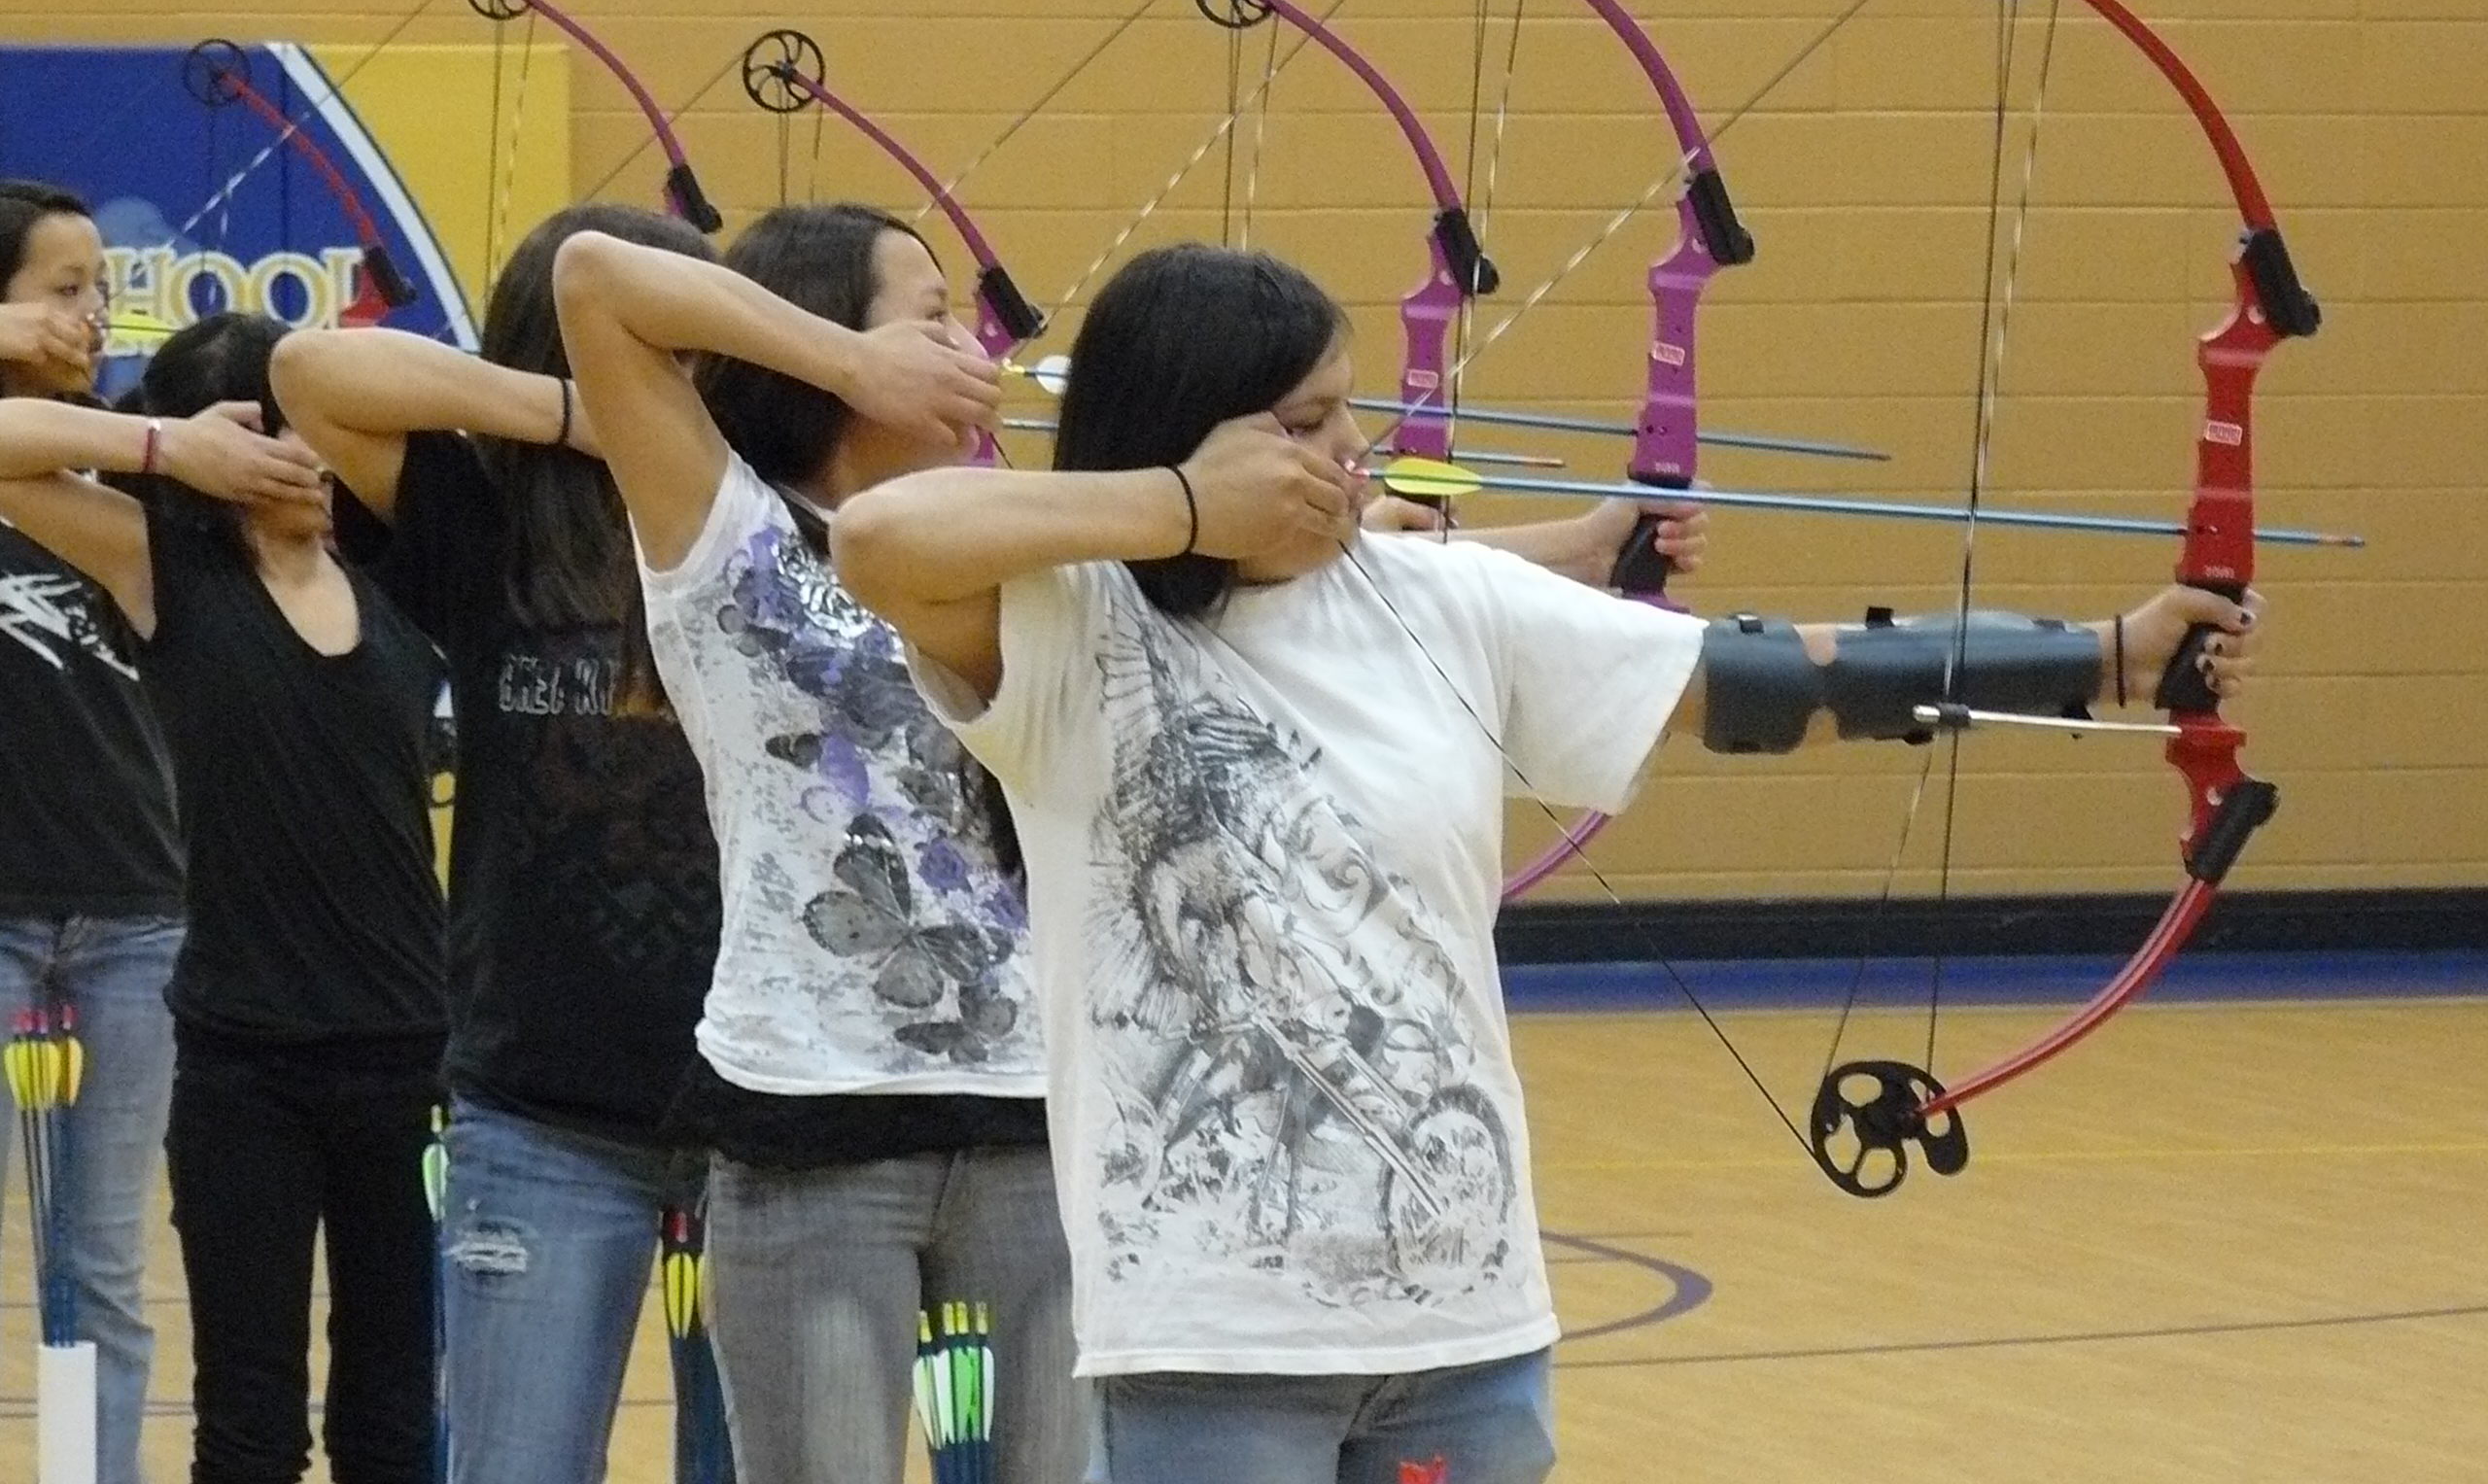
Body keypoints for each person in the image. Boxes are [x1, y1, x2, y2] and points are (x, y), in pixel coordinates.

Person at [827, 242, 2263, 1484]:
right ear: (1198, 439)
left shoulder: (1434, 599)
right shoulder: (1071, 632)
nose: (1355, 454)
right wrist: (1187, 513)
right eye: (1311, 424)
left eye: (1352, 412)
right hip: (1213, 1334)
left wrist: (2113, 657)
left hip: (1467, 1325)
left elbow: (1770, 679)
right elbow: (883, 539)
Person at [552, 202, 1081, 1484]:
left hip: (1036, 1120)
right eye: (933, 314)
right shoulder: (727, 531)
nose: (968, 344)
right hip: (811, 1124)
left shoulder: (1010, 544)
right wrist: (853, 363)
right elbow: (594, 279)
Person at [270, 204, 741, 1484]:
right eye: (652, 335)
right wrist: (582, 414)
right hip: (544, 1112)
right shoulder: (490, 520)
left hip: (763, 1118)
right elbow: (310, 373)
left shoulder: (748, 520)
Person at [0, 311, 448, 1484]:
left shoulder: (404, 572)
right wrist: (161, 453)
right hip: (245, 1064)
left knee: (397, 1417)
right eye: (286, 431)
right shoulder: (166, 570)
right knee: (249, 1422)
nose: (320, 457)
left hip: (415, 1056)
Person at [0, 179, 188, 1484]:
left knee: (103, 1269)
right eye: (59, 288)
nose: (89, 315)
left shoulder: (133, 463)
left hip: (131, 916)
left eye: (98, 291)